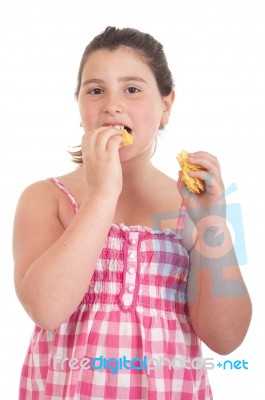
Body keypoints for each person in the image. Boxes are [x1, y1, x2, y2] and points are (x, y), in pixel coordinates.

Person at [13, 26, 252, 399]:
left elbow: (227, 339)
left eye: (132, 89)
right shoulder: (47, 198)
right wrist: (103, 194)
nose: (112, 104)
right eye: (95, 90)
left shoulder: (191, 204)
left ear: (166, 106)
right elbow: (46, 309)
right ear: (79, 108)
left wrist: (211, 224)